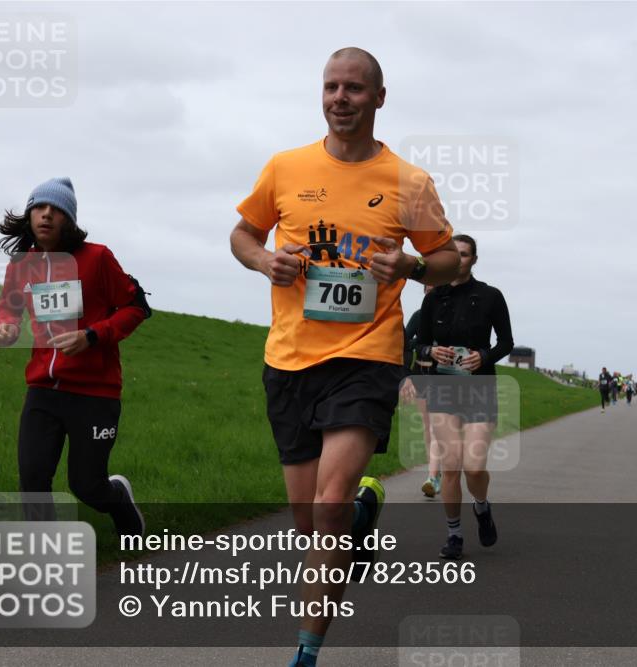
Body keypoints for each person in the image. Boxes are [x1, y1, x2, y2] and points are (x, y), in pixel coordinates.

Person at [229, 48, 459, 667]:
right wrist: (260, 259)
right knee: (311, 525)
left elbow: (449, 260)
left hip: (368, 356)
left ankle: (306, 654)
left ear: (379, 98)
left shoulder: (409, 183)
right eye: (331, 86)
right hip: (290, 360)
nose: (340, 97)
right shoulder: (284, 168)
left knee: (325, 510)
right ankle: (362, 511)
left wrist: (411, 265)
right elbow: (243, 234)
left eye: (354, 88)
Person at [0, 177, 149, 537]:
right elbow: (8, 311)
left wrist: (92, 336)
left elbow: (136, 307)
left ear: (70, 220)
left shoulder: (97, 258)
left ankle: (120, 502)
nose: (46, 215)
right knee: (33, 479)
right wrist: (6, 329)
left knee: (88, 486)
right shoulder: (22, 265)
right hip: (42, 390)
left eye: (57, 210)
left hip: (95, 393)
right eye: (39, 208)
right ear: (29, 215)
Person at [417, 234, 514, 560]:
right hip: (443, 389)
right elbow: (419, 343)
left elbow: (506, 342)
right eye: (452, 254)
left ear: (473, 260)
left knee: (474, 467)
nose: (458, 260)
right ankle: (454, 534)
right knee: (451, 465)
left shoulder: (490, 296)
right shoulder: (433, 299)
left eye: (464, 254)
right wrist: (432, 351)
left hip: (479, 389)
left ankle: (482, 507)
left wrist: (483, 357)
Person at [400, 285, 442, 498]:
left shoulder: (450, 316)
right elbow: (404, 343)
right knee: (428, 428)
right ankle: (434, 473)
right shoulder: (418, 316)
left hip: (444, 377)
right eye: (429, 290)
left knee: (436, 429)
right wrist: (406, 377)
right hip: (421, 374)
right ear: (424, 292)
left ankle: (433, 477)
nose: (432, 294)